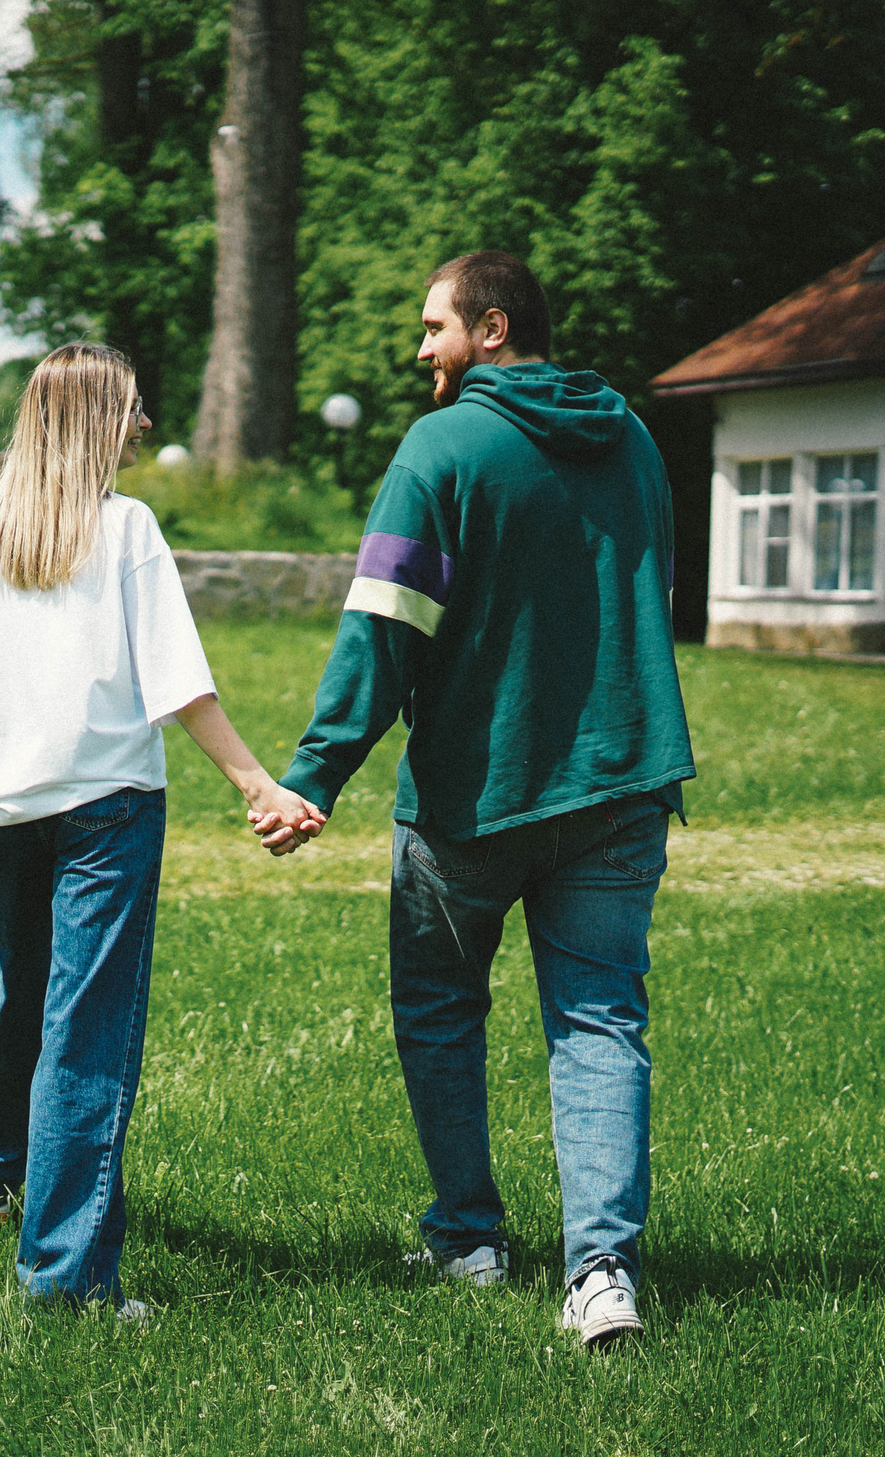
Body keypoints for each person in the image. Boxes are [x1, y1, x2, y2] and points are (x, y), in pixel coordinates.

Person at [277, 251, 696, 1351]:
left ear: (492, 328)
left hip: (473, 797)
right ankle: (601, 1275)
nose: (421, 351)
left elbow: (384, 625)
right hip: (622, 780)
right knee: (600, 1022)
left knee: (439, 1011)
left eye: (433, 329)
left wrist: (316, 773)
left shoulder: (442, 443)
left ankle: (467, 1238)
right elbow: (656, 591)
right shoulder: (632, 437)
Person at [0, 342, 324, 1317]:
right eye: (130, 409)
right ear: (90, 422)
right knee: (83, 1036)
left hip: (0, 811)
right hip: (105, 814)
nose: (145, 427)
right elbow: (178, 680)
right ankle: (67, 1280)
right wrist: (256, 784)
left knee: (16, 997)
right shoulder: (126, 530)